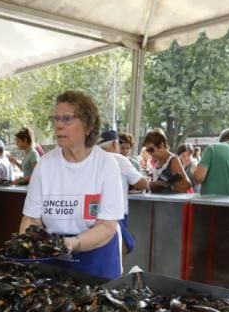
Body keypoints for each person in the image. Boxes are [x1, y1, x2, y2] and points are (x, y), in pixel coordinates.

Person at [20, 91, 125, 279]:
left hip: (96, 257)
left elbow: (107, 227)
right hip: (53, 258)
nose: (59, 125)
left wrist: (72, 243)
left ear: (88, 125)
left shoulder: (106, 164)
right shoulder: (44, 165)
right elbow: (31, 219)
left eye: (67, 119)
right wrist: (29, 244)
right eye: (56, 119)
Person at [98, 129, 148, 253]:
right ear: (115, 144)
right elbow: (143, 184)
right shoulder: (118, 159)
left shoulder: (91, 159)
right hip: (116, 215)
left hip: (93, 213)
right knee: (121, 248)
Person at [143, 129, 193, 193]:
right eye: (147, 150)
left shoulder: (173, 160)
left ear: (161, 145)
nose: (149, 153)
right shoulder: (158, 162)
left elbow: (186, 185)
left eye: (151, 150)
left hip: (172, 202)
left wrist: (162, 184)